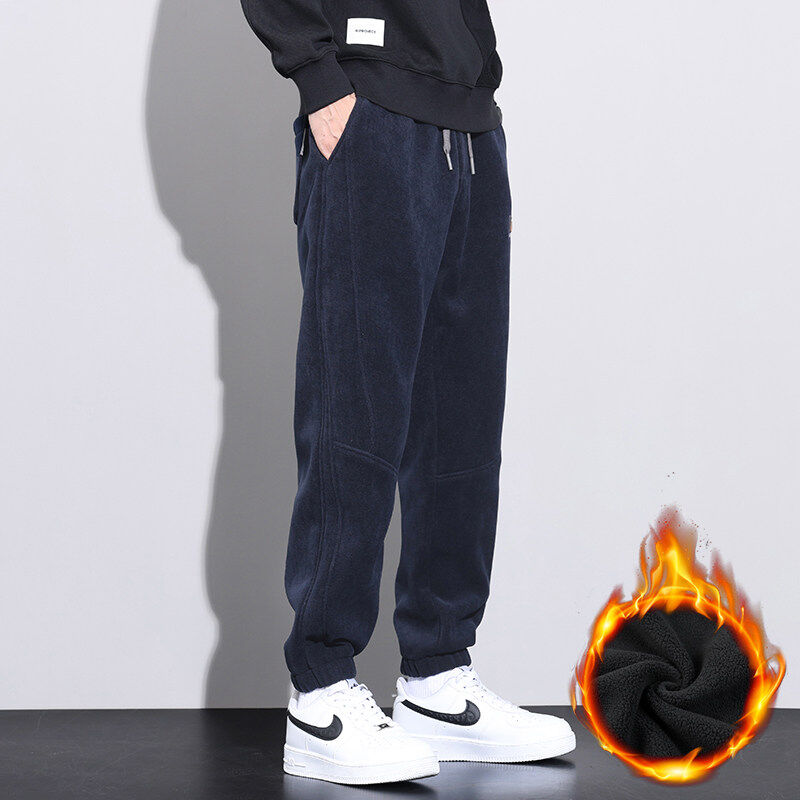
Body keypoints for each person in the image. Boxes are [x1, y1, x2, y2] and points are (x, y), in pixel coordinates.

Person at [240, 0, 576, 785]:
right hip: (370, 113)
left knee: (462, 426)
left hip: (467, 129)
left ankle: (437, 677)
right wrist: (319, 78)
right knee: (355, 411)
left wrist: (479, 94)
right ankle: (321, 689)